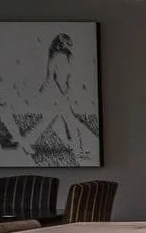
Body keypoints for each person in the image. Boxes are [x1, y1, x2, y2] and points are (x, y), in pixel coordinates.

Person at [22, 33, 93, 162]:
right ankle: (78, 150)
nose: (70, 45)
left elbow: (50, 78)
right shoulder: (60, 57)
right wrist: (65, 92)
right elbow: (58, 78)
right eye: (67, 43)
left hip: (54, 94)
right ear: (62, 44)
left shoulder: (55, 56)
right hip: (58, 95)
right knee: (69, 121)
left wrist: (43, 91)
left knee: (49, 121)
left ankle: (28, 142)